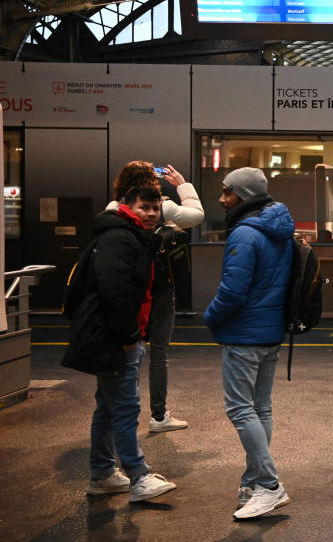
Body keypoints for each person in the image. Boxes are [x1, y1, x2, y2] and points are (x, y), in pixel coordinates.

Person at [204, 167, 295, 520]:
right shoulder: (279, 229)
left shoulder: (245, 233)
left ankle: (270, 486)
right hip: (271, 331)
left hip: (244, 334)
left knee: (241, 409)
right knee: (261, 409)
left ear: (242, 195)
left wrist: (209, 316)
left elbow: (233, 291)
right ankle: (253, 481)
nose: (222, 199)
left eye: (226, 192)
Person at [85, 183, 177, 502]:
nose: (151, 213)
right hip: (118, 339)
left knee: (108, 408)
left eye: (155, 208)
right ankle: (138, 477)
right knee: (125, 408)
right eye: (144, 207)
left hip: (119, 336)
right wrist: (128, 338)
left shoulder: (130, 235)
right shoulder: (121, 238)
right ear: (127, 206)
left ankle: (102, 474)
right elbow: (116, 293)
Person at [107, 161, 204, 433]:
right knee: (158, 352)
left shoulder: (114, 209)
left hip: (128, 290)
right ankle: (158, 416)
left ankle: (124, 414)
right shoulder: (162, 206)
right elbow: (197, 214)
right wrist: (182, 184)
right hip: (160, 288)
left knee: (129, 353)